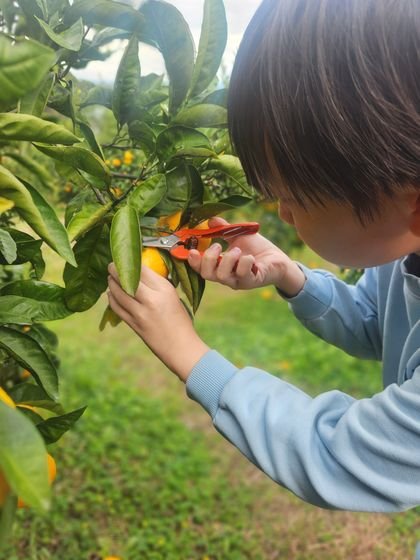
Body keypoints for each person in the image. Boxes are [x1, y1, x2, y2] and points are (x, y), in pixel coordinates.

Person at [107, 0, 420, 513]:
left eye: (294, 195)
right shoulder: (406, 247)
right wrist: (292, 276)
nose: (284, 213)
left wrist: (190, 354)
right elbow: (377, 325)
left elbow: (341, 456)